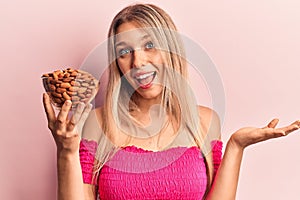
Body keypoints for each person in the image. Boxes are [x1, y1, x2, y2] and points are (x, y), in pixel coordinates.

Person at [42, 3, 300, 200]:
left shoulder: (205, 121)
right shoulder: (97, 123)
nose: (138, 62)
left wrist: (236, 145)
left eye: (150, 45)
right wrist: (66, 150)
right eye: (124, 52)